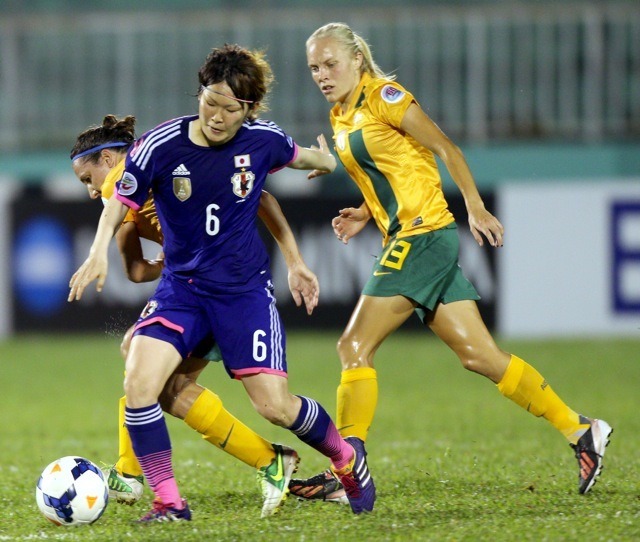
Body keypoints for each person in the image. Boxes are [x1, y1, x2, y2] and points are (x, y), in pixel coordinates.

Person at [289, 22, 612, 503]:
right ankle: (580, 428)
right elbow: (396, 169)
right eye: (315, 67)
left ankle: (347, 467)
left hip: (422, 237)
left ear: (357, 59)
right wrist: (363, 212)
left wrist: (475, 206)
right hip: (412, 235)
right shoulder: (341, 113)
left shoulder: (386, 95)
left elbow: (444, 147)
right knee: (479, 356)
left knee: (353, 346)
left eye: (330, 62)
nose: (322, 73)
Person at [68, 43, 375, 522]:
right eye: (209, 101)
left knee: (275, 406)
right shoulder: (159, 145)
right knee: (141, 380)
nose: (215, 115)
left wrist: (326, 165)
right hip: (182, 290)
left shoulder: (262, 140)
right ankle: (169, 502)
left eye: (229, 108)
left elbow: (299, 162)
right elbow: (117, 201)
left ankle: (345, 459)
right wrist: (96, 254)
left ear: (248, 108)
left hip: (241, 293)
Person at [70, 114, 323, 518]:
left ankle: (140, 473)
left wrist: (294, 260)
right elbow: (137, 270)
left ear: (108, 159)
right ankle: (259, 461)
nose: (89, 191)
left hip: (232, 287)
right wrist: (165, 261)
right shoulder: (124, 205)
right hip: (195, 290)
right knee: (158, 381)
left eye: (88, 178)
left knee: (149, 367)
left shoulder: (151, 166)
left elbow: (259, 196)